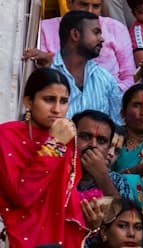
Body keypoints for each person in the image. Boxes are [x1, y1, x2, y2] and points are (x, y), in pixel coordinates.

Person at [0, 67, 86, 247]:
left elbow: (67, 194)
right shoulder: (6, 135)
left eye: (63, 101)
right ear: (28, 102)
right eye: (49, 100)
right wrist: (54, 145)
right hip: (17, 232)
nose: (57, 109)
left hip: (60, 232)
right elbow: (22, 195)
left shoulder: (68, 137)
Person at [32, 0, 137, 90]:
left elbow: (130, 78)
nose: (90, 11)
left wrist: (107, 94)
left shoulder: (117, 29)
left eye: (96, 6)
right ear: (69, 3)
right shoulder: (45, 29)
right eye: (84, 5)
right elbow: (43, 75)